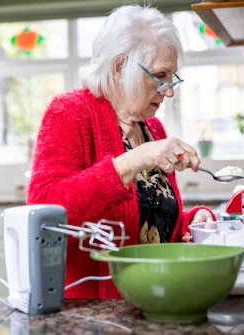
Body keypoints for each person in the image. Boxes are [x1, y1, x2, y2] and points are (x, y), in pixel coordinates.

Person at [27, 4, 215, 299]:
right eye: (160, 75)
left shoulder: (153, 128)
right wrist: (133, 160)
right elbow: (44, 210)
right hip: (93, 313)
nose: (169, 91)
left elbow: (151, 227)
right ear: (119, 67)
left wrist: (192, 223)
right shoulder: (70, 113)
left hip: (157, 300)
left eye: (172, 77)